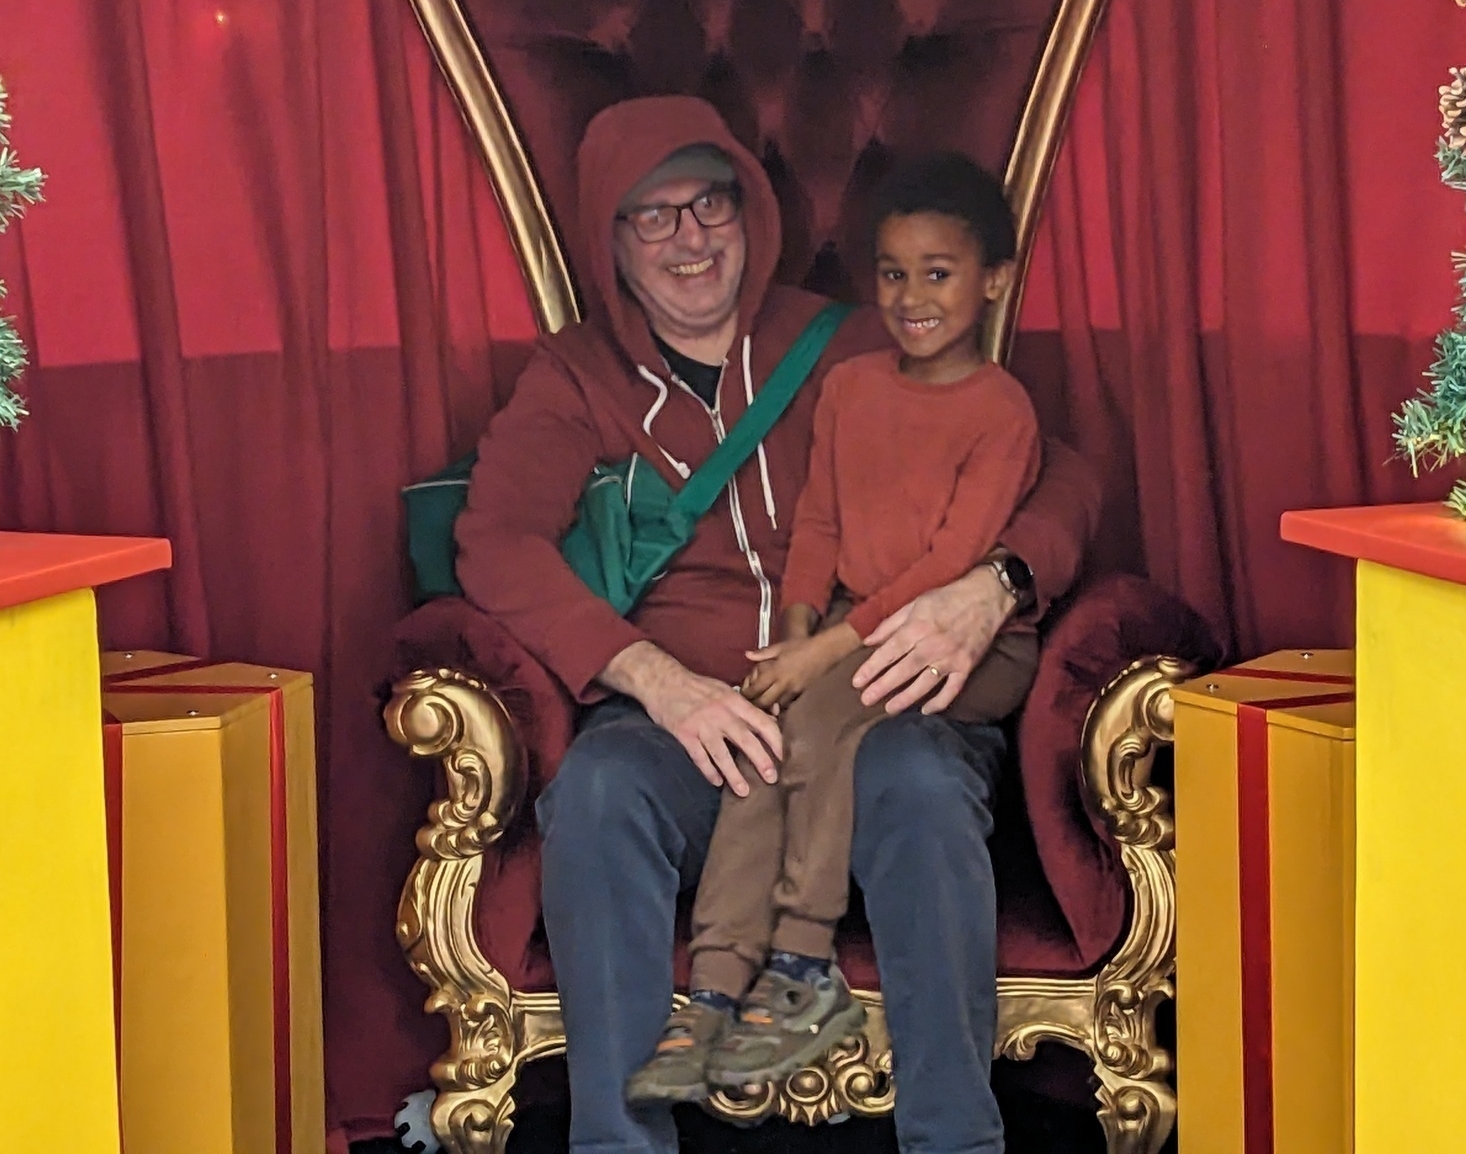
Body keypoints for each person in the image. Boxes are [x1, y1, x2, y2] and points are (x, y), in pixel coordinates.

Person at [455, 95, 1100, 1154]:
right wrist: (656, 680)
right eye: (651, 217)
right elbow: (495, 543)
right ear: (608, 240)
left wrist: (994, 585)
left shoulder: (848, 340)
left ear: (750, 210)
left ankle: (956, 1141)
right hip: (690, 724)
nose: (688, 239)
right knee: (603, 788)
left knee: (922, 779)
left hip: (882, 702)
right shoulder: (574, 376)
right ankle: (620, 1145)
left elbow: (1061, 470)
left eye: (708, 204)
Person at [623, 153, 1044, 1103]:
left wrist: (825, 655)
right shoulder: (853, 386)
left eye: (939, 274)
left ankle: (806, 964)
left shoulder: (1001, 409)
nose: (912, 297)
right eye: (893, 274)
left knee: (810, 729)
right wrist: (798, 631)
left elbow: (950, 564)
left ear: (995, 280)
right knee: (761, 735)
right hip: (851, 628)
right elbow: (815, 521)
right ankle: (718, 990)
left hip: (964, 642)